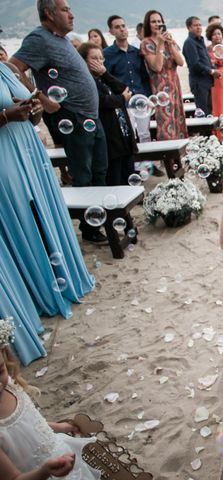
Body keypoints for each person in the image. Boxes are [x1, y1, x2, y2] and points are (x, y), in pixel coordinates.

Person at [0, 62, 94, 363]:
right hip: (4, 155)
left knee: (43, 214)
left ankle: (60, 275)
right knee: (23, 221)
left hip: (27, 148)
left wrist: (32, 112)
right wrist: (5, 116)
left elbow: (36, 106)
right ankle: (40, 287)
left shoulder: (6, 69)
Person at [10, 0, 109, 243]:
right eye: (65, 10)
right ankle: (89, 230)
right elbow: (13, 67)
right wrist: (40, 97)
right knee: (83, 175)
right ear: (49, 13)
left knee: (99, 171)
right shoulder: (39, 38)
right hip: (74, 118)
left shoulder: (61, 39)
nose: (72, 15)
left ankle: (98, 221)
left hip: (91, 117)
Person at [0, 319, 102, 479]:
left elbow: (33, 425)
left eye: (0, 371)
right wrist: (45, 471)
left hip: (61, 455)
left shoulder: (11, 387)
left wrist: (61, 427)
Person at [79, 42, 136, 186]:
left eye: (101, 58)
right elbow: (103, 101)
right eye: (94, 59)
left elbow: (124, 89)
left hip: (124, 136)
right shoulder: (86, 82)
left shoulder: (104, 78)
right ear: (83, 61)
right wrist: (121, 99)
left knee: (129, 178)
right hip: (110, 140)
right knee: (116, 180)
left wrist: (105, 74)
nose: (99, 63)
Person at [140, 9, 188, 140]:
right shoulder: (146, 43)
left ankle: (179, 157)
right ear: (148, 24)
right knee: (166, 124)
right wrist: (160, 44)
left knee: (178, 121)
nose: (157, 24)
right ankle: (168, 159)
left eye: (159, 21)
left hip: (174, 85)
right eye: (153, 21)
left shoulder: (169, 40)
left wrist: (170, 44)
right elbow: (156, 67)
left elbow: (180, 62)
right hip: (160, 87)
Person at [104, 15, 152, 142]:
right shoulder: (107, 54)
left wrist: (148, 97)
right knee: (129, 135)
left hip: (141, 99)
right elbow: (106, 80)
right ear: (111, 32)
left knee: (145, 134)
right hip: (123, 101)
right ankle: (133, 162)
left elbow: (144, 77)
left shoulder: (137, 52)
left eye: (123, 26)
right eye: (117, 27)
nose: (121, 29)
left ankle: (148, 161)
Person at [183, 16, 218, 116]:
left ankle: (209, 132)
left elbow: (205, 59)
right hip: (199, 83)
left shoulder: (200, 40)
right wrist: (211, 71)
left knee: (209, 112)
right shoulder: (189, 43)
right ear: (189, 28)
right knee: (203, 113)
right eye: (195, 25)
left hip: (207, 81)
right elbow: (195, 64)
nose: (198, 27)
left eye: (199, 25)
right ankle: (204, 132)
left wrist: (213, 68)